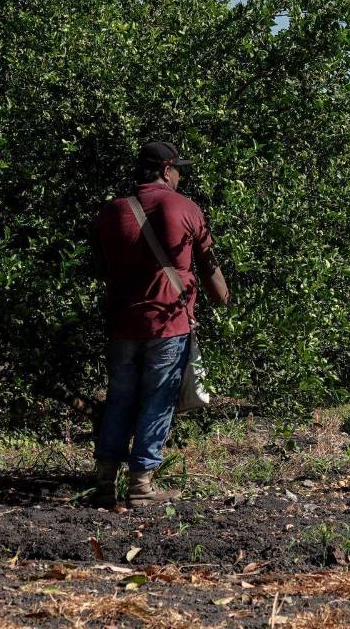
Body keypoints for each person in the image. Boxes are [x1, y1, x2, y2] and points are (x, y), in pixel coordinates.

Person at [90, 141, 230, 508]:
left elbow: (100, 269)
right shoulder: (184, 207)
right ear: (167, 171)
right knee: (157, 399)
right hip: (168, 322)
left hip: (121, 323)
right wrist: (224, 300)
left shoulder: (111, 212)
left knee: (119, 397)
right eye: (179, 169)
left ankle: (105, 483)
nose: (181, 176)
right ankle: (141, 484)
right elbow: (210, 265)